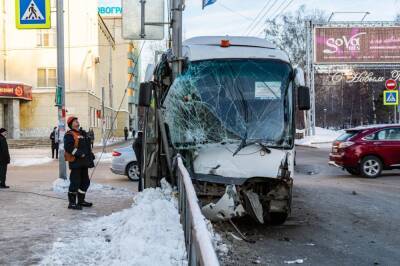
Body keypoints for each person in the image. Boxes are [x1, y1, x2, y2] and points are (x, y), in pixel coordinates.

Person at [64, 117, 95, 210]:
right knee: (75, 183)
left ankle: (81, 201)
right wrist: (79, 153)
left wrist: (91, 155)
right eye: (75, 121)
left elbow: (87, 147)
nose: (77, 122)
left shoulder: (82, 133)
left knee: (85, 182)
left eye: (77, 120)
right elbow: (68, 147)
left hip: (84, 163)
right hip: (76, 163)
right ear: (71, 124)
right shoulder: (69, 134)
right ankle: (72, 203)